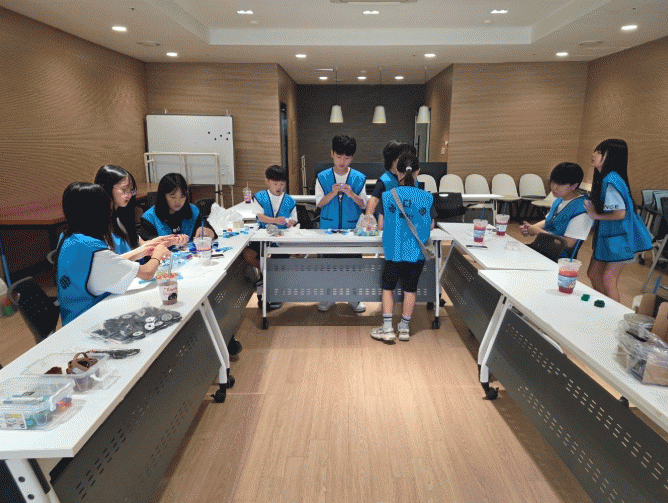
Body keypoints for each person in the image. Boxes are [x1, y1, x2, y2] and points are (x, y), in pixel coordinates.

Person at [56, 182, 171, 325]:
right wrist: (158, 253)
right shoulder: (94, 250)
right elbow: (147, 272)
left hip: (71, 317)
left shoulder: (67, 238)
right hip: (91, 322)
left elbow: (105, 264)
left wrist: (142, 251)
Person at [371, 153, 436, 342]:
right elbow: (431, 225)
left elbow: (381, 225)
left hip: (394, 252)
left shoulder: (387, 196)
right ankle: (405, 328)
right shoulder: (427, 197)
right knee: (410, 289)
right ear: (418, 172)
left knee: (388, 288)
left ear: (397, 172)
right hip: (415, 253)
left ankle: (387, 328)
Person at [584, 139, 652, 302]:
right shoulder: (607, 178)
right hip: (611, 236)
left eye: (600, 152)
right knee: (593, 274)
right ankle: (604, 305)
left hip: (621, 238)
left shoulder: (611, 180)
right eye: (596, 150)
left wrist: (595, 215)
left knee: (608, 279)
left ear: (612, 156)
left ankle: (611, 312)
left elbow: (620, 213)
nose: (594, 154)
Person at [315, 134, 368, 313]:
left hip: (352, 228)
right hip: (328, 228)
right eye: (339, 156)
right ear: (332, 154)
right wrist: (331, 194)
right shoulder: (322, 177)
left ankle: (354, 298)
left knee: (353, 265)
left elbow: (364, 204)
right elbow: (319, 203)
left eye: (347, 158)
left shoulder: (359, 178)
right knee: (328, 265)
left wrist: (352, 194)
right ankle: (328, 297)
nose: (342, 161)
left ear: (352, 157)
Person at [95, 165, 187, 259]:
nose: (129, 195)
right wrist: (150, 254)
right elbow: (109, 262)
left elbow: (141, 244)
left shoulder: (121, 216)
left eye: (131, 190)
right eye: (124, 190)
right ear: (106, 188)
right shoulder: (97, 224)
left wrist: (166, 241)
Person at [242, 165, 296, 311]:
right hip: (263, 236)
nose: (279, 187)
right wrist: (275, 220)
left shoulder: (290, 200)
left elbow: (294, 219)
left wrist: (291, 222)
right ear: (267, 181)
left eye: (282, 184)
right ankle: (267, 275)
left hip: (282, 238)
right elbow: (259, 216)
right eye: (275, 183)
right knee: (248, 254)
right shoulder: (260, 197)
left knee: (280, 262)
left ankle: (274, 287)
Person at [520, 162, 594, 259]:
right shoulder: (560, 199)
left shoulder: (583, 209)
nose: (554, 187)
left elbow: (568, 243)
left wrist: (539, 232)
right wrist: (531, 228)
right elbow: (549, 220)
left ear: (574, 185)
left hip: (558, 258)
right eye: (553, 182)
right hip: (542, 248)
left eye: (560, 184)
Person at [140, 173, 214, 241]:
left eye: (182, 197)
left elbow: (208, 229)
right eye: (173, 197)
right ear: (163, 196)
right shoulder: (149, 218)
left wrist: (209, 231)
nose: (178, 202)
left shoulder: (193, 211)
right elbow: (147, 246)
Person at [366, 141, 417, 216]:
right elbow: (374, 200)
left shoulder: (413, 179)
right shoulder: (384, 181)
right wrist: (368, 218)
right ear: (392, 160)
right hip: (388, 220)